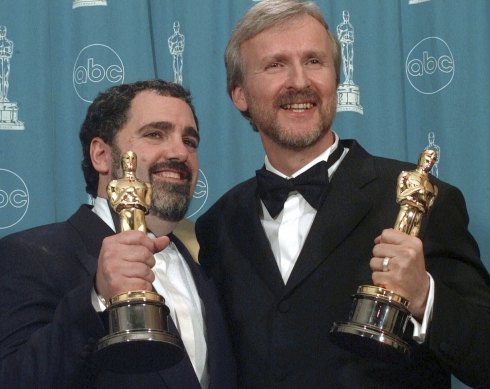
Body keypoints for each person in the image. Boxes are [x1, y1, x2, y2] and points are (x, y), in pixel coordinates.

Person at [195, 1, 490, 388]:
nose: (299, 81)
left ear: (336, 77)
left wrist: (425, 297)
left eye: (314, 61)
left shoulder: (424, 200)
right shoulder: (218, 225)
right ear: (240, 94)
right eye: (275, 65)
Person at [0, 80, 236, 388]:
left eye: (190, 141)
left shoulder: (209, 262)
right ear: (101, 155)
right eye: (155, 134)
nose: (180, 151)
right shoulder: (30, 256)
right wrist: (97, 297)